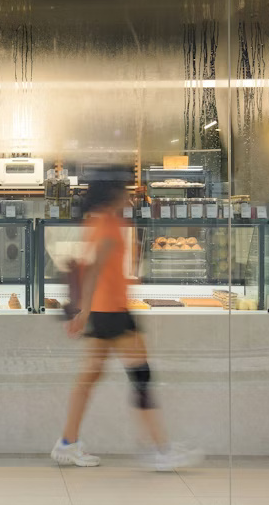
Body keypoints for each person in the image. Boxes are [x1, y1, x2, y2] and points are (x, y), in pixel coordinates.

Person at [51, 176, 203, 471]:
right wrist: (83, 313)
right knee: (141, 377)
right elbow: (94, 270)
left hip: (108, 310)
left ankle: (68, 442)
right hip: (111, 313)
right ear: (112, 194)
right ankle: (160, 449)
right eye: (125, 192)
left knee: (89, 377)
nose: (129, 197)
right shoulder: (107, 226)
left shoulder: (101, 222)